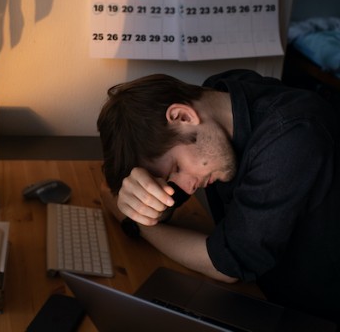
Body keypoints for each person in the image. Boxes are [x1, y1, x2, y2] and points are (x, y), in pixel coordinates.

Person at [97, 69, 340, 327]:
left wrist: (137, 224)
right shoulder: (218, 95)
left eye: (176, 169)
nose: (187, 188)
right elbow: (122, 192)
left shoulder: (293, 137)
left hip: (315, 315)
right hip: (261, 294)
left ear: (182, 116)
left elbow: (227, 266)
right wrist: (144, 200)